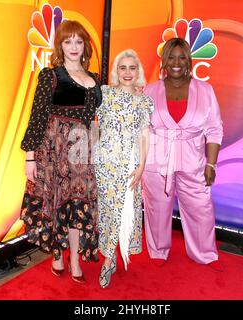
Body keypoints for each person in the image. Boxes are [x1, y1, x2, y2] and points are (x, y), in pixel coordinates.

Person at [20, 20, 102, 284]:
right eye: (68, 41)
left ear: (85, 45)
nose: (74, 47)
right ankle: (57, 255)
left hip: (84, 155)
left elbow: (100, 119)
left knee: (78, 207)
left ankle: (75, 259)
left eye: (79, 41)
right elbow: (37, 117)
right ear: (60, 45)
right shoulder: (51, 75)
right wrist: (30, 156)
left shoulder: (96, 80)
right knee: (57, 205)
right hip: (54, 152)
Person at [142, 38, 223, 269]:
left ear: (189, 60)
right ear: (164, 60)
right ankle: (158, 251)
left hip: (194, 162)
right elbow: (142, 131)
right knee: (157, 207)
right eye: (171, 56)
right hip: (157, 162)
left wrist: (211, 164)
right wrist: (138, 166)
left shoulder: (206, 91)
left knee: (201, 208)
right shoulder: (149, 91)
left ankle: (205, 253)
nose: (176, 62)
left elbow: (215, 129)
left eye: (182, 57)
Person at [94, 49, 154, 288]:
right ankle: (110, 254)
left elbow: (144, 136)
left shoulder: (144, 101)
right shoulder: (104, 94)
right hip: (104, 165)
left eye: (132, 68)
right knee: (108, 212)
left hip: (129, 166)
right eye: (123, 68)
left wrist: (141, 167)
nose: (127, 73)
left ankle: (108, 261)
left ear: (138, 71)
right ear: (116, 71)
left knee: (123, 211)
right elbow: (93, 124)